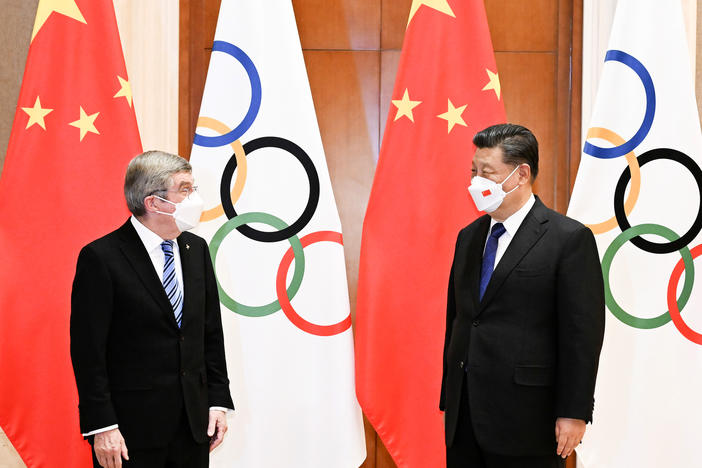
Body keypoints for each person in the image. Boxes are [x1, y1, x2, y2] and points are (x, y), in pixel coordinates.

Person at [440, 124, 605, 468]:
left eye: (487, 172)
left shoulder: (568, 239)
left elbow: (582, 335)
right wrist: (450, 395)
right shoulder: (468, 237)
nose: (476, 181)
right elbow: (459, 318)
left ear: (520, 175)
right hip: (465, 416)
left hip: (529, 419)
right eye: (474, 171)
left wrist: (574, 412)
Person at [71, 150, 234, 468]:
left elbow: (209, 332)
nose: (194, 198)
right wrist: (102, 426)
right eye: (185, 189)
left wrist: (217, 401)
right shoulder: (101, 258)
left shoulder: (196, 249)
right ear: (154, 202)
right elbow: (88, 352)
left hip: (193, 426)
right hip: (131, 434)